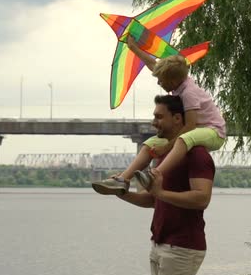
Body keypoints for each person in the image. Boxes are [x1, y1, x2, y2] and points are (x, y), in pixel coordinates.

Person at [92, 36, 225, 195]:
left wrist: (166, 148)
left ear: (173, 80)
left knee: (184, 139)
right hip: (197, 131)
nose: (158, 83)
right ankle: (122, 180)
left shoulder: (189, 93)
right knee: (149, 143)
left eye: (161, 80)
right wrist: (133, 48)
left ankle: (153, 175)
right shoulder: (179, 81)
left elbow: (189, 126)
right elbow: (152, 64)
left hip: (213, 132)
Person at [111, 95, 215, 275]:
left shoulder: (197, 154)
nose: (153, 122)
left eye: (159, 117)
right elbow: (153, 199)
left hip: (183, 247)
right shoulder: (164, 154)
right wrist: (122, 193)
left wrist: (161, 192)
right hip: (160, 243)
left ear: (177, 118)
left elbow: (202, 199)